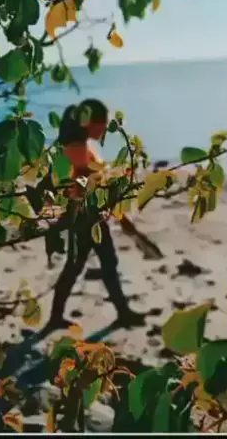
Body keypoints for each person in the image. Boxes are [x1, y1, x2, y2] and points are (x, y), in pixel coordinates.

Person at [45, 99, 147, 330]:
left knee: (87, 265)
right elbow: (88, 189)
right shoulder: (78, 150)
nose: (105, 128)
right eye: (103, 123)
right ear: (90, 123)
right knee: (93, 264)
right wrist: (120, 216)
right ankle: (121, 313)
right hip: (85, 216)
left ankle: (59, 316)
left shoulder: (80, 147)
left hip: (88, 215)